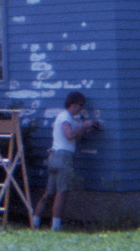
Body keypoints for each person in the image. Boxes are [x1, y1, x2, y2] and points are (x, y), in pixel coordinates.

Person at [33, 91, 100, 230]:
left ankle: (35, 222)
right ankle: (56, 227)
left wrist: (84, 128)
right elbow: (69, 135)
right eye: (81, 106)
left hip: (54, 157)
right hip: (63, 158)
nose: (81, 109)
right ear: (74, 105)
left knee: (49, 192)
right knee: (62, 192)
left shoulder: (68, 119)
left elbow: (76, 138)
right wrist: (84, 125)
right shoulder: (65, 116)